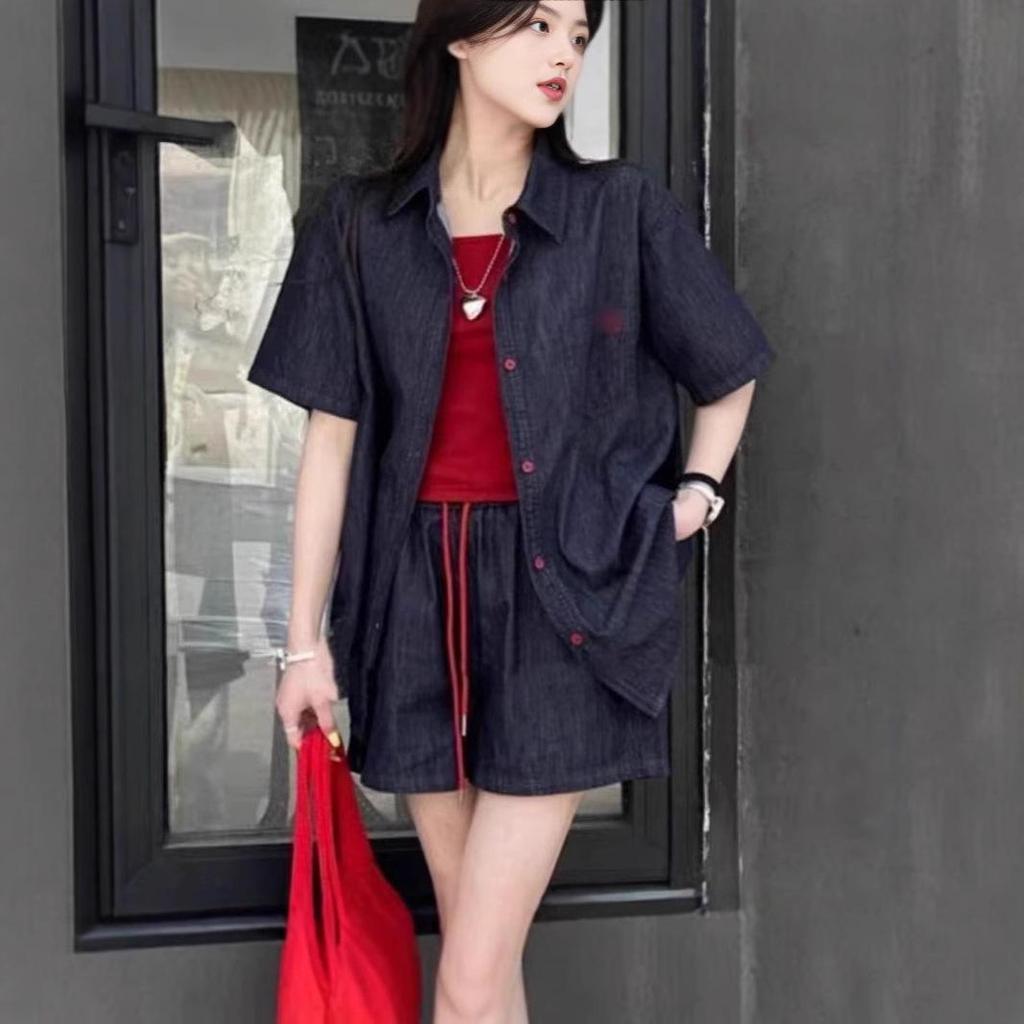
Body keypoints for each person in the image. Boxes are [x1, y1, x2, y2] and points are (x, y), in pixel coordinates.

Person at [246, 1, 777, 1020]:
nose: (564, 53)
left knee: (470, 971)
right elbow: (331, 441)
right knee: (477, 955)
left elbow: (729, 369)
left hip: (559, 594)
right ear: (457, 34)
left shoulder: (618, 211)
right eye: (537, 24)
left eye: (578, 34)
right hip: (411, 598)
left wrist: (694, 497)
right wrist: (303, 644)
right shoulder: (360, 224)